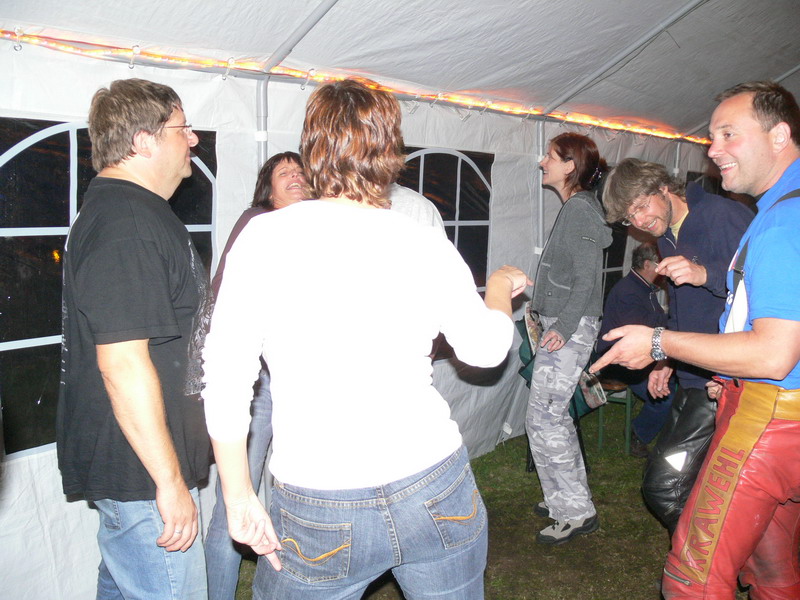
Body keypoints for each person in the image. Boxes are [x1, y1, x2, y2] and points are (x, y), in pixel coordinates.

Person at [202, 78, 530, 600]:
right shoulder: (420, 239)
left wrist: (239, 496)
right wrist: (496, 290)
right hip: (433, 483)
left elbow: (225, 376)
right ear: (390, 152)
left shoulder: (264, 238)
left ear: (313, 149)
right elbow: (487, 349)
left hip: (321, 496)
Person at [592, 80, 800, 599]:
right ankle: (737, 548)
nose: (713, 149)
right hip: (717, 380)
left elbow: (771, 341)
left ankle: (720, 549)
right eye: (630, 219)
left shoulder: (744, 217)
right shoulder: (679, 234)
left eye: (729, 134)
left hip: (761, 399)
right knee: (773, 562)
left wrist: (662, 340)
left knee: (672, 510)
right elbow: (744, 303)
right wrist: (670, 357)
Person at [57, 79, 210, 599]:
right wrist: (168, 483)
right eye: (183, 127)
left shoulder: (133, 211)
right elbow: (121, 364)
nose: (193, 139)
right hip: (143, 474)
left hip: (142, 469)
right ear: (144, 141)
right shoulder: (126, 224)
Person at [601, 157, 753, 534]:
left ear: (662, 187)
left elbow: (761, 287)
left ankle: (702, 557)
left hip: (722, 377)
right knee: (693, 481)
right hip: (691, 375)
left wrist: (707, 274)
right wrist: (665, 359)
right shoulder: (667, 235)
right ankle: (715, 555)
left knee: (664, 486)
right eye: (629, 216)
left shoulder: (721, 215)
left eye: (641, 206)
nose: (638, 221)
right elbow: (681, 308)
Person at [205, 151, 308, 600]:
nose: (296, 177)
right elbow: (222, 298)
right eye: (285, 172)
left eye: (301, 171)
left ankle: (301, 578)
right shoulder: (255, 223)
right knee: (238, 495)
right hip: (261, 384)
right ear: (268, 187)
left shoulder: (322, 224)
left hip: (307, 383)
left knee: (305, 491)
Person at [526, 132, 612, 544]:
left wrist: (561, 327)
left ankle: (575, 511)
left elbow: (586, 279)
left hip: (570, 327)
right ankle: (563, 497)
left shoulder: (579, 210)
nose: (542, 162)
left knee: (545, 418)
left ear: (570, 165)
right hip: (565, 323)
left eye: (550, 156)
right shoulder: (577, 208)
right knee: (548, 416)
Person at [596, 242, 674, 457]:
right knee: (665, 396)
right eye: (660, 264)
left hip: (634, 353)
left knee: (678, 379)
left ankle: (670, 430)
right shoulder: (629, 291)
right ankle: (637, 434)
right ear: (648, 264)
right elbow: (641, 333)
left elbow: (654, 326)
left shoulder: (642, 288)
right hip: (617, 361)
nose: (663, 269)